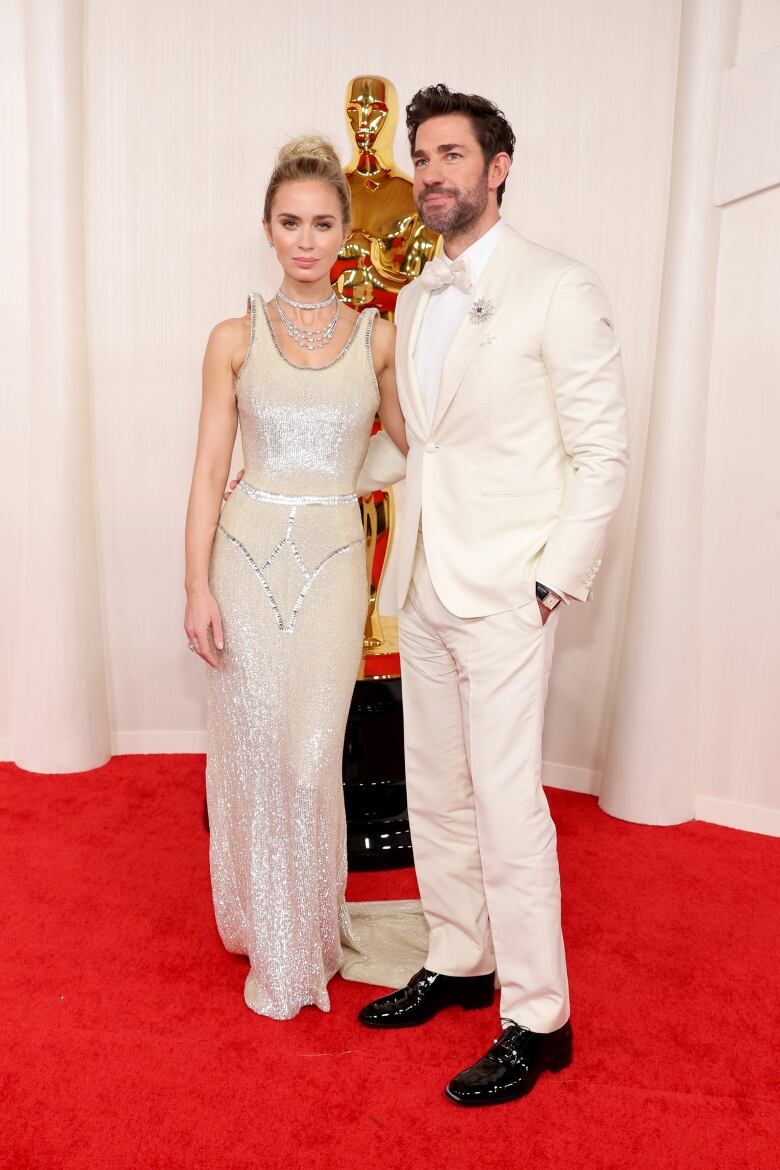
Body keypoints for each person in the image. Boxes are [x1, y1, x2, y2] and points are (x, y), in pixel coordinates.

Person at [354, 84, 629, 1105]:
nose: (431, 172)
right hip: (422, 580)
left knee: (510, 806)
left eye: (451, 155)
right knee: (437, 788)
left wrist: (551, 579)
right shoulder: (418, 295)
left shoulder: (559, 286)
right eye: (423, 156)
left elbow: (603, 454)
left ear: (497, 167)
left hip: (510, 588)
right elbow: (420, 447)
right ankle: (460, 954)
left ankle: (537, 1017)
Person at [183, 136, 406, 1020]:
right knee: (257, 752)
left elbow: (405, 445)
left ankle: (309, 927)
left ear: (347, 234)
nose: (305, 240)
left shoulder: (379, 339)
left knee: (313, 761)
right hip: (241, 558)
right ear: (268, 230)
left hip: (332, 561)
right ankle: (277, 944)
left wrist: (338, 477)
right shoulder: (231, 338)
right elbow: (206, 471)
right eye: (289, 223)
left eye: (321, 224)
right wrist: (194, 586)